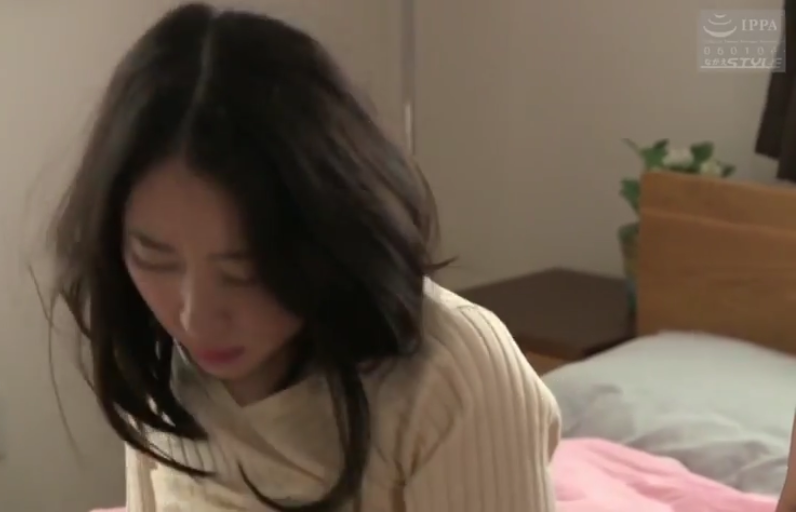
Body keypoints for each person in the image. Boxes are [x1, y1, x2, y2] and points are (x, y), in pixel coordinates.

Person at [46, 2, 560, 511]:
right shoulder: (161, 361)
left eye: (243, 270)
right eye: (154, 259)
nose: (194, 317)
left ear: (326, 233)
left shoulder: (449, 377)